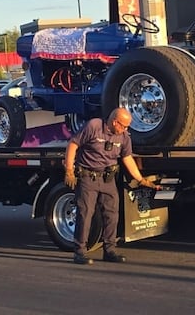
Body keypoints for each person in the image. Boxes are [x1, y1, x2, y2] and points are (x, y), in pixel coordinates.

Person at [64, 108, 158, 265]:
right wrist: (69, 170)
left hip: (108, 179)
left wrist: (141, 179)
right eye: (124, 126)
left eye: (127, 126)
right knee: (85, 214)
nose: (126, 129)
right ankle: (79, 252)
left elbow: (127, 158)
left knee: (112, 215)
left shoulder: (124, 136)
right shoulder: (94, 126)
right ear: (115, 122)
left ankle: (110, 251)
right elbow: (73, 144)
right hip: (88, 177)